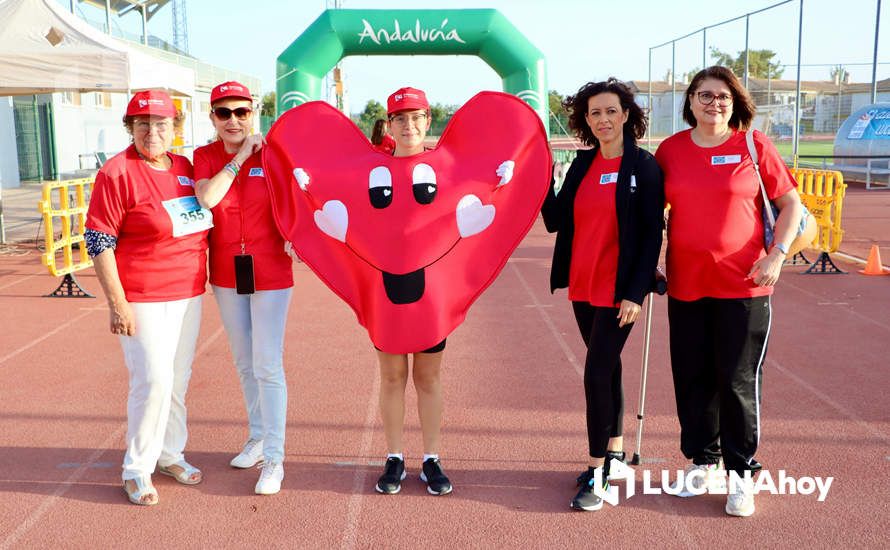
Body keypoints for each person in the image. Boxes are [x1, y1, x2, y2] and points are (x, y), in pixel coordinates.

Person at [655, 66, 804, 517]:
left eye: (722, 96)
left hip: (745, 286)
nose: (713, 103)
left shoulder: (754, 147)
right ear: (691, 101)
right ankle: (704, 460)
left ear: (735, 102)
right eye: (704, 95)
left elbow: (791, 204)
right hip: (686, 285)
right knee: (693, 379)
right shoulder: (671, 151)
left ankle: (741, 475)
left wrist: (777, 254)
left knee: (737, 381)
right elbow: (651, 212)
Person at [542, 79, 664, 512]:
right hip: (583, 285)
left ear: (626, 115)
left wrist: (636, 292)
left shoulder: (644, 167)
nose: (603, 120)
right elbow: (555, 220)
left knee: (594, 374)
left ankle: (597, 473)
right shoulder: (581, 165)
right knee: (606, 367)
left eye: (611, 111)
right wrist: (541, 175)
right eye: (594, 113)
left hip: (619, 292)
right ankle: (613, 451)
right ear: (585, 120)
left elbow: (652, 235)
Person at [85, 90, 211, 506]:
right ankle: (137, 468)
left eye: (160, 124)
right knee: (152, 380)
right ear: (130, 128)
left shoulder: (185, 167)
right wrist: (117, 303)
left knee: (177, 381)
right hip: (141, 296)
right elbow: (98, 240)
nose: (152, 132)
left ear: (175, 128)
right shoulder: (117, 173)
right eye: (142, 125)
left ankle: (170, 452)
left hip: (188, 294)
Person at [193, 81, 293, 495]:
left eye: (241, 112)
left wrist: (296, 235)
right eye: (224, 113)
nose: (233, 120)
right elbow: (208, 199)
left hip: (270, 270)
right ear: (212, 117)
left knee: (267, 362)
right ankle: (256, 436)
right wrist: (238, 160)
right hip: (227, 273)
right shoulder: (204, 157)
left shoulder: (274, 155)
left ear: (253, 112)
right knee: (244, 361)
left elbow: (297, 202)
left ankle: (275, 457)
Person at [372, 87, 452, 496]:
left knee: (429, 377)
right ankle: (395, 456)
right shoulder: (371, 170)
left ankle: (432, 458)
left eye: (416, 117)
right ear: (389, 124)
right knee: (392, 377)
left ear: (427, 121)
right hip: (388, 290)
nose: (408, 125)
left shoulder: (444, 167)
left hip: (431, 292)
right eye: (400, 119)